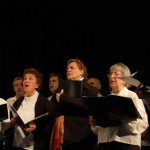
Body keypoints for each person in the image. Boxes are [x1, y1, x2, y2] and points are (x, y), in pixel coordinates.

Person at [90, 62, 149, 150]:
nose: (112, 76)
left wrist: (124, 118)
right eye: (110, 73)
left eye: (116, 74)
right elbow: (98, 130)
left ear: (125, 79)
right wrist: (94, 123)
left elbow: (143, 124)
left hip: (126, 144)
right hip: (104, 144)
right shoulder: (104, 99)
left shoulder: (133, 96)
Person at [47, 58, 98, 150]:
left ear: (81, 71)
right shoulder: (62, 88)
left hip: (82, 137)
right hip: (64, 137)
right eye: (67, 68)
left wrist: (63, 99)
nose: (68, 70)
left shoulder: (90, 89)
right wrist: (72, 106)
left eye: (72, 68)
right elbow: (50, 109)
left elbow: (87, 106)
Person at [5, 68, 52, 150]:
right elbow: (11, 124)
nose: (26, 81)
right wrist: (11, 123)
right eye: (25, 78)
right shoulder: (18, 102)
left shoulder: (44, 103)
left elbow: (49, 128)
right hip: (16, 145)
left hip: (33, 146)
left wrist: (36, 129)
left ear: (37, 85)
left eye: (30, 78)